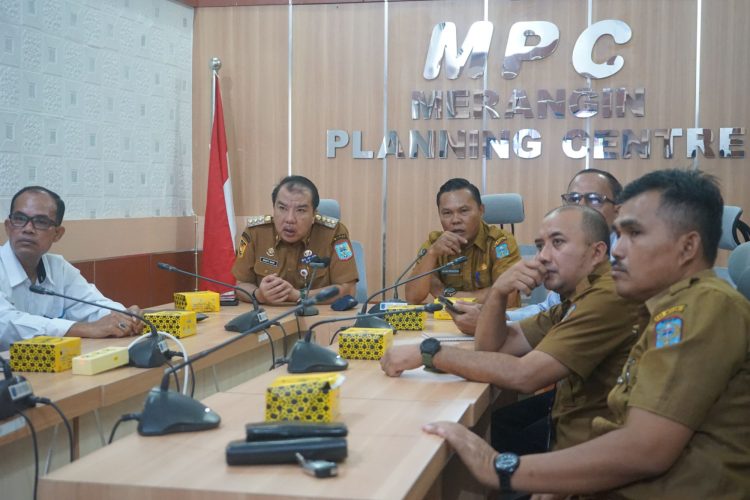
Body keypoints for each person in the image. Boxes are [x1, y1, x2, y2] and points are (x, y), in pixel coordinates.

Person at [424, 169, 750, 498]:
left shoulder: (703, 307)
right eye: (618, 235)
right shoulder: (658, 306)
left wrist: (501, 468)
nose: (618, 250)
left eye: (634, 234)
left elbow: (644, 450)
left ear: (687, 247)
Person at [382, 204, 641, 454]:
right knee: (491, 426)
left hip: (592, 446)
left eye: (558, 243)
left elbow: (525, 377)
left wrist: (430, 352)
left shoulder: (607, 295)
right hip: (572, 425)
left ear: (597, 253)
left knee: (461, 440)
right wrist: (498, 293)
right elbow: (493, 347)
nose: (543, 257)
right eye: (541, 246)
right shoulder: (575, 295)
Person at [448, 168, 623, 334]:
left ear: (618, 211)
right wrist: (498, 316)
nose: (581, 206)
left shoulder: (623, 266)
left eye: (594, 199)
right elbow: (548, 310)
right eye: (573, 199)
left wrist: (492, 322)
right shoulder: (566, 255)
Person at [0, 186, 142, 351]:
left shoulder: (58, 268)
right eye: (20, 218)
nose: (28, 229)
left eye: (40, 222)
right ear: (8, 226)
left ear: (58, 234)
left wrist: (124, 318)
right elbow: (5, 323)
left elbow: (93, 305)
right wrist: (84, 329)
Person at [231, 175, 358, 305]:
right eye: (282, 208)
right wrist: (259, 295)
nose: (290, 219)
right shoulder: (256, 233)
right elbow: (241, 284)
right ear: (274, 208)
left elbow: (348, 289)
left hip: (317, 318)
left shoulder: (333, 233)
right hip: (268, 318)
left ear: (314, 214)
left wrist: (298, 295)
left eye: (300, 210)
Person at [405, 178, 521, 306]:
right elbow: (412, 298)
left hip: (490, 322)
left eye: (464, 211)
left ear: (481, 210)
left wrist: (446, 295)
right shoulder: (435, 245)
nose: (455, 220)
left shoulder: (500, 242)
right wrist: (432, 254)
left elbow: (507, 297)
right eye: (447, 213)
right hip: (447, 322)